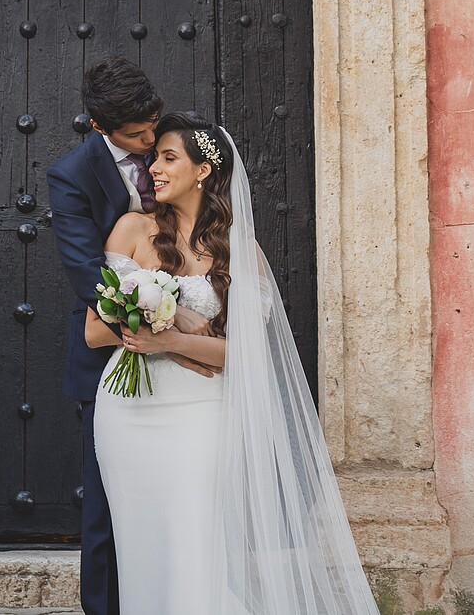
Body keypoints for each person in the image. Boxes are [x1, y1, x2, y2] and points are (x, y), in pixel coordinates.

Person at [85, 113, 384, 615]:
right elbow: (96, 331)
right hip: (127, 411)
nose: (152, 167)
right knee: (140, 549)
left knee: (195, 543)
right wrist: (172, 330)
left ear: (203, 171)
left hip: (202, 411)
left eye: (167, 157)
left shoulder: (242, 253)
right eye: (154, 156)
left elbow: (247, 355)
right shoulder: (132, 228)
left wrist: (166, 342)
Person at [46, 57, 163, 615]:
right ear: (98, 126)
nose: (148, 141)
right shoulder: (71, 175)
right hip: (112, 357)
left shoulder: (175, 143)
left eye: (152, 126)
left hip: (188, 359)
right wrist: (159, 321)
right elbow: (86, 272)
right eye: (135, 135)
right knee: (106, 504)